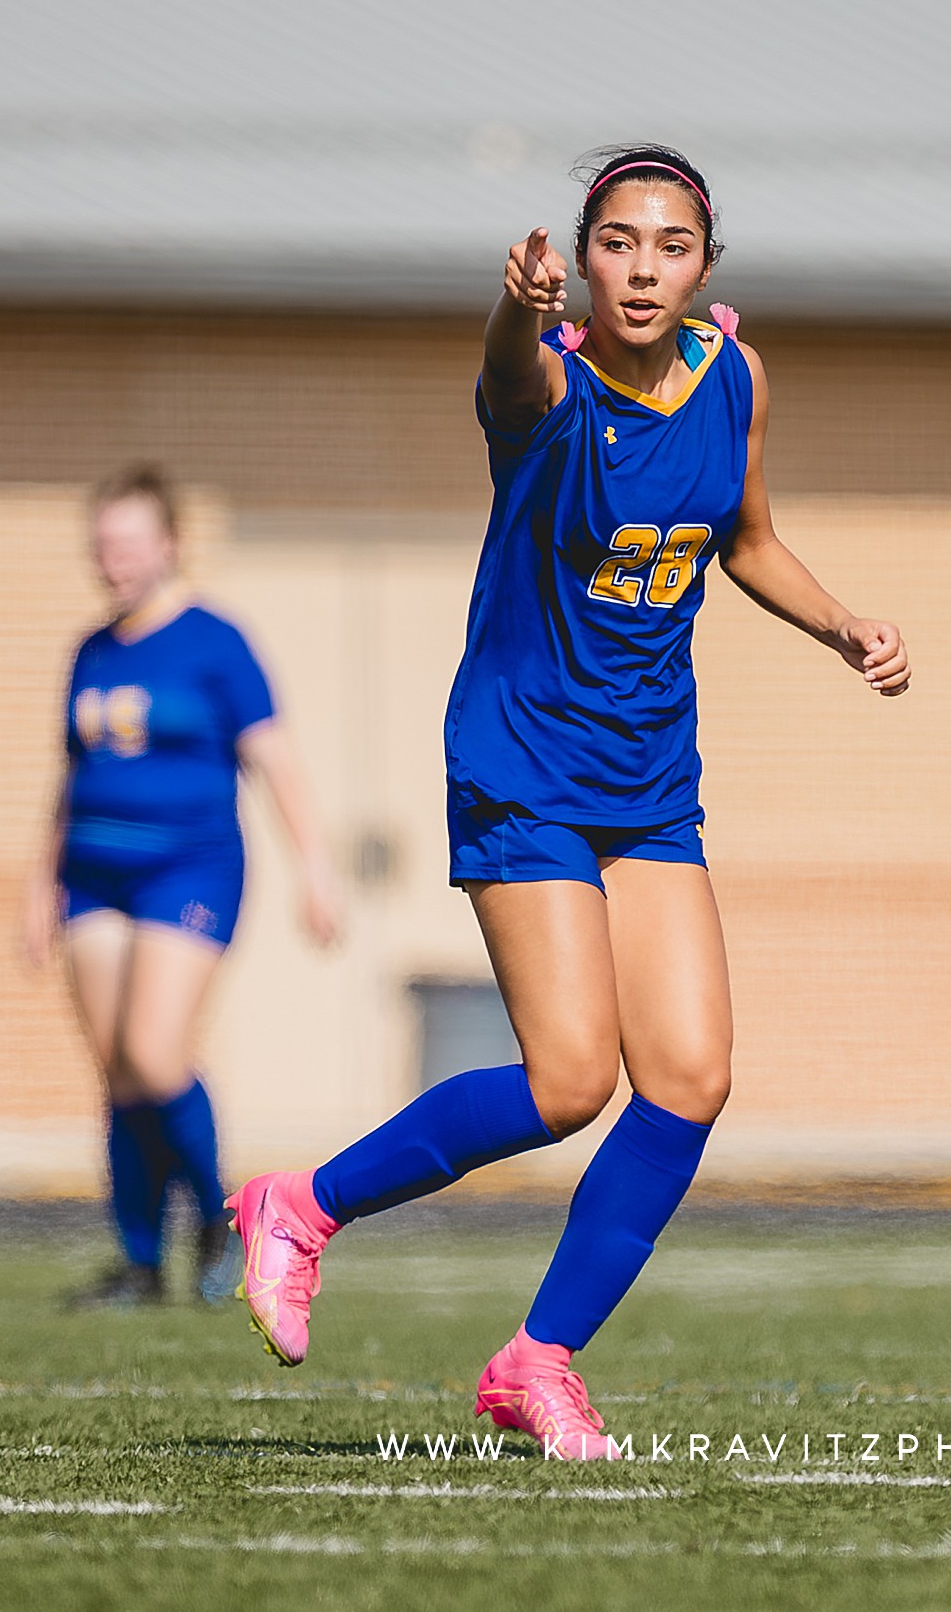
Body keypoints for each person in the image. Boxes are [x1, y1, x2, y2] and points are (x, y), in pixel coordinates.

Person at [226, 144, 909, 1457]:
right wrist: (514, 313)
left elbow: (748, 536)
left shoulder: (735, 377)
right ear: (580, 260)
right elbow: (502, 372)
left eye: (670, 245)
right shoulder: (549, 383)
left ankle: (535, 1362)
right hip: (523, 758)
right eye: (616, 242)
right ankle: (301, 1207)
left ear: (706, 266)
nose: (642, 267)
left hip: (650, 777)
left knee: (693, 1078)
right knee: (568, 1079)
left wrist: (842, 626)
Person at [21, 464, 341, 1308]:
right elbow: (68, 778)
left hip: (189, 869)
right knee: (117, 1069)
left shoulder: (215, 642)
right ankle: (136, 1263)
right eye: (102, 545)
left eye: (128, 542)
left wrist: (317, 868)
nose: (113, 559)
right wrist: (35, 890)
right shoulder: (89, 650)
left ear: (168, 544)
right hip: (92, 874)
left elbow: (277, 761)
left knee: (155, 1054)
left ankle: (216, 1220)